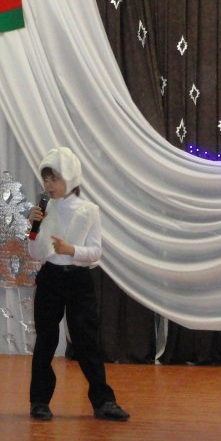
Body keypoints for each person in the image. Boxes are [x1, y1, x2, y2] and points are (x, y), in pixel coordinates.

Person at [27, 146, 130, 422]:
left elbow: (95, 252)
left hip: (79, 281)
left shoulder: (89, 210)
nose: (49, 185)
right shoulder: (44, 210)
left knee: (87, 341)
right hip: (50, 278)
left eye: (54, 179)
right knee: (46, 340)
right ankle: (39, 401)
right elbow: (35, 254)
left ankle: (104, 402)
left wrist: (71, 250)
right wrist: (34, 229)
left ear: (70, 178)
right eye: (46, 179)